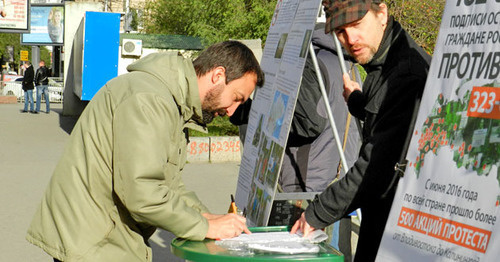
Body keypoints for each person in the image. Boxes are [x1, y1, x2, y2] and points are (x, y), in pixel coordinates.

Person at [26, 41, 264, 262]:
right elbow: (142, 191)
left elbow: (165, 183)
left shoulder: (171, 100)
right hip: (92, 241)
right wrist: (205, 227)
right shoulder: (150, 99)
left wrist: (204, 216)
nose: (232, 111)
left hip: (100, 233)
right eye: (236, 98)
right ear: (218, 75)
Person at [291, 1, 431, 261]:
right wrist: (358, 101)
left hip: (396, 236)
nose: (350, 38)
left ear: (382, 14)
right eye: (341, 31)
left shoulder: (406, 74)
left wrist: (318, 213)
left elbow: (375, 168)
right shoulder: (385, 62)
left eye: (356, 25)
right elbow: (388, 119)